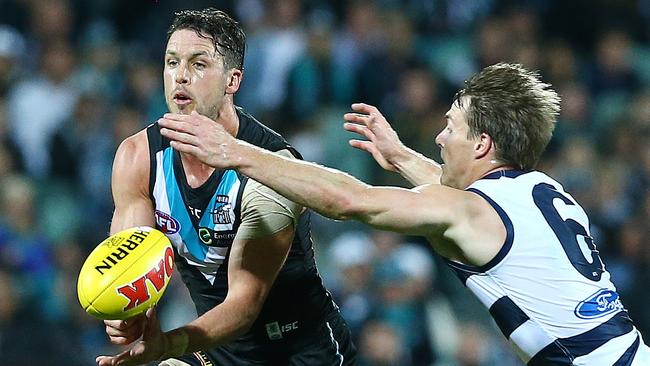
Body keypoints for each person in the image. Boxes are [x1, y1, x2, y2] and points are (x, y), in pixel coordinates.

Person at [158, 63, 650, 365]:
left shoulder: (471, 211)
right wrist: (398, 157)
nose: (438, 139)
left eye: (450, 129)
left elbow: (350, 201)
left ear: (482, 144)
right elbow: (453, 191)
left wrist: (238, 151)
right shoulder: (541, 189)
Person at [97, 8, 356, 366]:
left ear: (232, 81)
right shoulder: (137, 158)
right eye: (172, 63)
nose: (181, 77)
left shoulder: (271, 166)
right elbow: (132, 264)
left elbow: (244, 305)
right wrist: (131, 312)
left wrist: (168, 344)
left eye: (198, 64)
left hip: (298, 350)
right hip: (216, 348)